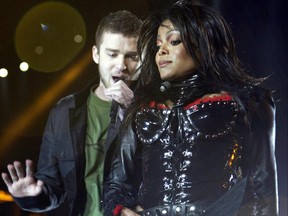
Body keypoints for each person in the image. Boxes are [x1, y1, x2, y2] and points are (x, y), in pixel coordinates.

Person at [103, 1, 279, 216]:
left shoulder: (250, 101)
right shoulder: (141, 107)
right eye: (158, 46)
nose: (162, 52)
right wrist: (121, 212)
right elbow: (117, 185)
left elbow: (263, 187)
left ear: (204, 44)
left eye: (174, 41)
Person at [1, 10, 142, 216]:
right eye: (112, 54)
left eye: (132, 56)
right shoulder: (64, 111)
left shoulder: (155, 109)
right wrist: (31, 196)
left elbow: (166, 175)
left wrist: (134, 109)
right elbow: (52, 187)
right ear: (96, 54)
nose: (121, 65)